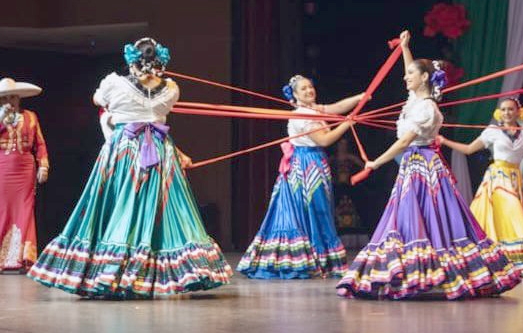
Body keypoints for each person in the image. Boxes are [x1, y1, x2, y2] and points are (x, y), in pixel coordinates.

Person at [28, 37, 233, 298]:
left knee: (122, 204)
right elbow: (157, 113)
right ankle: (161, 269)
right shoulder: (171, 89)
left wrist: (116, 111)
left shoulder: (114, 84)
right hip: (159, 150)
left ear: (132, 62)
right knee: (160, 209)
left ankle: (116, 268)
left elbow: (97, 100)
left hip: (126, 148)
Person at [336, 30, 520, 300]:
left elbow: (404, 142)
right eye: (406, 72)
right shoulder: (417, 100)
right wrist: (405, 48)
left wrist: (375, 163)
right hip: (415, 164)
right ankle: (413, 271)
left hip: (423, 164)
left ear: (424, 78)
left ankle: (428, 270)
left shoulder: (426, 108)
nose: (405, 76)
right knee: (415, 216)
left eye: (411, 73)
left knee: (428, 216)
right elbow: (414, 77)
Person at [236, 76, 362, 279]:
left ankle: (319, 258)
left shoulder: (313, 110)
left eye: (310, 86)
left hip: (315, 163)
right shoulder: (302, 116)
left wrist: (360, 98)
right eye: (303, 89)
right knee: (313, 209)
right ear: (294, 95)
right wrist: (348, 123)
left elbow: (336, 107)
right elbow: (325, 139)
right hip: (306, 166)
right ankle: (310, 258)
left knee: (319, 209)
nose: (309, 90)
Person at [438, 88, 523, 274]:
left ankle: (509, 259)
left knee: (507, 218)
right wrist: (444, 141)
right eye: (504, 109)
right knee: (513, 212)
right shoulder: (493, 131)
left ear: (518, 111)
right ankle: (514, 257)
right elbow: (468, 149)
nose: (507, 113)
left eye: (511, 109)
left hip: (515, 179)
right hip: (498, 178)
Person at [0, 78, 48, 272]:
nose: (10, 101)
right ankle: (3, 258)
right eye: (5, 98)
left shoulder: (30, 116)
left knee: (25, 210)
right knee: (3, 210)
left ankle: (23, 258)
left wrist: (43, 166)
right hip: (3, 167)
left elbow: (40, 143)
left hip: (25, 169)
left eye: (12, 97)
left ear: (18, 98)